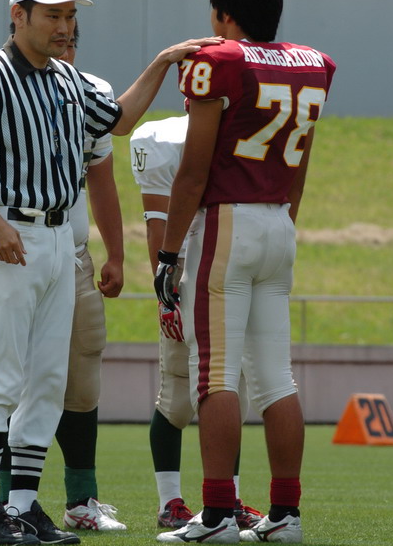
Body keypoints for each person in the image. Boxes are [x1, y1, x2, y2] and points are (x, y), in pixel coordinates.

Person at [0, 0, 220, 546]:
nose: (64, 26)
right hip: (12, 232)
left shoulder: (66, 78)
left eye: (69, 15)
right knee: (0, 378)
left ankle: (22, 505)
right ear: (19, 15)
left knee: (46, 379)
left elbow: (119, 120)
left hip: (59, 237)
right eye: (53, 15)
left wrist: (163, 62)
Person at [152, 0, 335, 543]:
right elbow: (301, 166)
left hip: (227, 222)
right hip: (279, 220)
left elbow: (192, 173)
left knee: (215, 375)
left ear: (223, 15)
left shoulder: (220, 61)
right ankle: (286, 515)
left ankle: (217, 515)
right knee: (277, 379)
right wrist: (279, 222)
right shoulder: (314, 64)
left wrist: (168, 254)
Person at [130, 113, 263, 531]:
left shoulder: (246, 129)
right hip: (186, 272)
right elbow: (158, 225)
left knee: (233, 391)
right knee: (176, 397)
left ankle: (230, 499)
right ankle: (170, 501)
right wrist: (165, 294)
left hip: (230, 268)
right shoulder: (163, 137)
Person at [53, 24, 127, 532]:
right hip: (14, 252)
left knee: (82, 378)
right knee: (12, 379)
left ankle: (82, 500)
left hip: (75, 254)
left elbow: (101, 180)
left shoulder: (90, 94)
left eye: (71, 40)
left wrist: (115, 254)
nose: (64, 47)